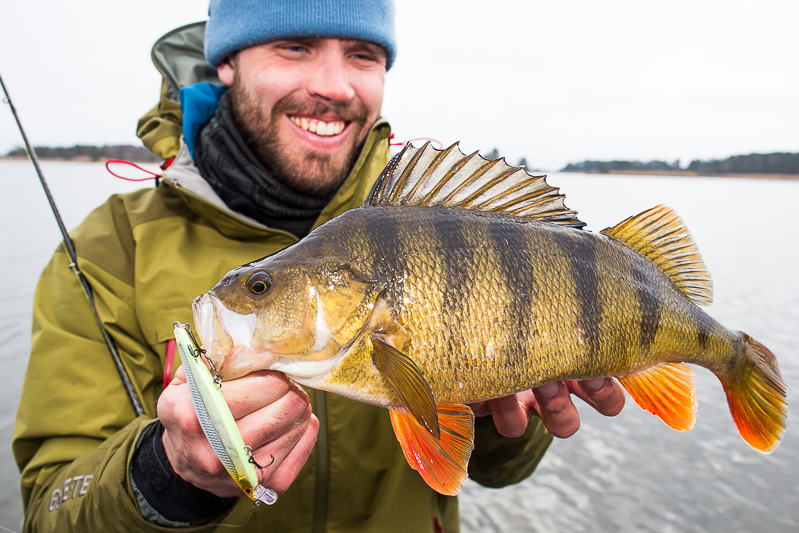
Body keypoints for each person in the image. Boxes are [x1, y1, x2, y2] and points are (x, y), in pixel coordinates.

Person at [13, 1, 625, 531]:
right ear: (225, 63)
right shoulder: (108, 250)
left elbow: (498, 472)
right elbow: (48, 512)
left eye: (362, 54)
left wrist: (495, 414)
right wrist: (163, 475)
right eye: (295, 46)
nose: (334, 84)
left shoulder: (438, 214)